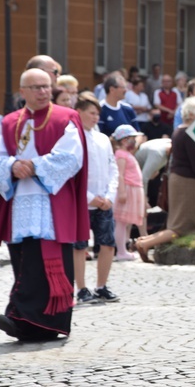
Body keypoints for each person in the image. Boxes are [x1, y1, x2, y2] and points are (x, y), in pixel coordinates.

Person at [0, 68, 88, 341]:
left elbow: (72, 157)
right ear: (22, 92)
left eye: (46, 86)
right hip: (19, 205)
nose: (43, 92)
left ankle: (25, 317)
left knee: (40, 263)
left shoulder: (65, 117)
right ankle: (29, 326)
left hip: (53, 204)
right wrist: (12, 166)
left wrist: (34, 166)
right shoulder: (10, 122)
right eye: (35, 87)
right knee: (23, 260)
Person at [131, 97, 195, 263]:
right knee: (183, 227)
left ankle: (143, 241)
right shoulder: (190, 133)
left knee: (177, 224)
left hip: (180, 181)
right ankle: (145, 243)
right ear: (194, 115)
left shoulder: (179, 130)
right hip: (187, 183)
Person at [73, 92, 119, 304]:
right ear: (79, 112)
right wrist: (89, 197)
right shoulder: (73, 138)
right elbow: (73, 173)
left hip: (104, 200)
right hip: (82, 202)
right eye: (91, 113)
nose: (95, 117)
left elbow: (112, 168)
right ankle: (81, 288)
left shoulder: (103, 139)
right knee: (80, 246)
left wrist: (109, 195)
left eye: (97, 113)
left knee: (108, 244)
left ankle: (101, 285)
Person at [112, 125, 145, 261]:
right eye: (132, 138)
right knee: (121, 222)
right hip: (127, 188)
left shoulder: (126, 154)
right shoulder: (120, 155)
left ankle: (123, 248)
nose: (134, 141)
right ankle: (121, 251)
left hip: (133, 188)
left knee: (124, 223)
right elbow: (120, 174)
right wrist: (122, 192)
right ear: (124, 140)